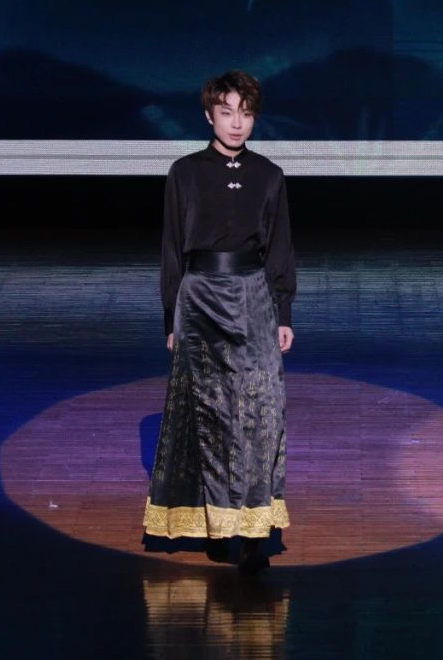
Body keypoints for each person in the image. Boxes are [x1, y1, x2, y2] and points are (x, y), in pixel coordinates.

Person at [143, 70, 296, 573]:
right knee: (210, 414)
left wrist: (283, 312)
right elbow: (171, 249)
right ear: (209, 115)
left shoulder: (269, 174)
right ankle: (215, 525)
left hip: (253, 296)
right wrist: (172, 318)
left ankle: (253, 526)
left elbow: (279, 248)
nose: (236, 123)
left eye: (245, 113)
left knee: (260, 411)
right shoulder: (185, 172)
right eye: (227, 112)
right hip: (200, 298)